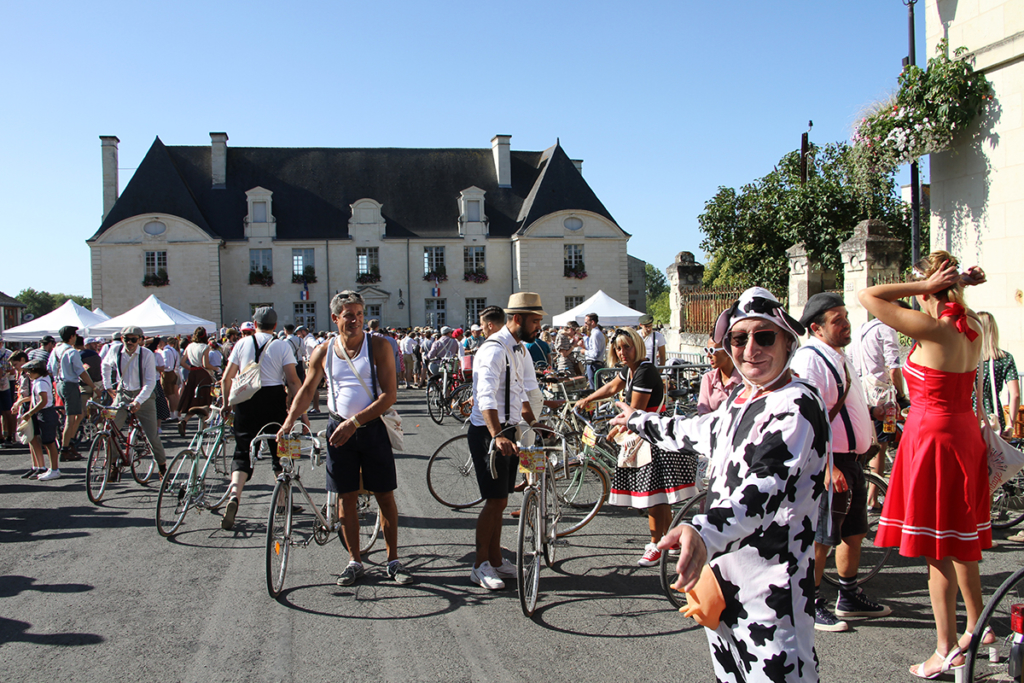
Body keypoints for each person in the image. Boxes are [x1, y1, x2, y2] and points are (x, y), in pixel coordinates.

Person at [612, 287, 829, 682]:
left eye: (764, 336)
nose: (751, 349)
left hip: (772, 592)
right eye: (738, 339)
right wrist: (637, 420)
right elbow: (697, 429)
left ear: (787, 342)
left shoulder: (797, 404)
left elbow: (762, 490)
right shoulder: (743, 400)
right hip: (723, 581)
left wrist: (700, 531)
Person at [859, 252, 991, 678]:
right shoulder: (971, 327)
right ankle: (977, 625)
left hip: (933, 437)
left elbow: (869, 295)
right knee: (960, 542)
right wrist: (950, 286)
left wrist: (923, 287)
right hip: (961, 431)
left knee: (937, 548)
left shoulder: (932, 327)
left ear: (931, 286)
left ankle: (945, 648)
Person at [278, 291, 412, 586]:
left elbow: (389, 395)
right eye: (349, 315)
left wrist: (355, 422)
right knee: (345, 496)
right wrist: (288, 422)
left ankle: (393, 560)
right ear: (335, 318)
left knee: (384, 495)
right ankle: (354, 561)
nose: (356, 320)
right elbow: (307, 389)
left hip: (370, 427)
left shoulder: (377, 345)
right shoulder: (323, 351)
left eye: (360, 314)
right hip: (338, 428)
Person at [790, 293, 891, 632]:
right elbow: (809, 416)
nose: (846, 323)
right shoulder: (810, 360)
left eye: (845, 316)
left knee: (853, 531)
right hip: (830, 463)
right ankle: (811, 601)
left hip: (852, 461)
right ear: (817, 327)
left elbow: (843, 405)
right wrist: (828, 465)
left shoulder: (838, 356)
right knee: (822, 537)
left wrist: (874, 413)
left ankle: (848, 595)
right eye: (838, 319)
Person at [576, 327, 697, 566]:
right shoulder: (631, 371)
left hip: (651, 439)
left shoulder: (644, 371)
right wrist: (588, 399)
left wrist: (616, 429)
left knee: (652, 496)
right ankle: (669, 540)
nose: (622, 352)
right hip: (648, 436)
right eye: (618, 348)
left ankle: (655, 544)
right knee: (660, 497)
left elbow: (637, 411)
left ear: (638, 347)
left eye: (627, 347)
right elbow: (611, 387)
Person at [468, 297, 542, 590]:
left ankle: (496, 559)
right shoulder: (494, 349)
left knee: (500, 500)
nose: (539, 326)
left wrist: (534, 423)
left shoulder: (518, 348)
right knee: (494, 500)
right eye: (535, 321)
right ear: (518, 318)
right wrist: (497, 435)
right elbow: (486, 395)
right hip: (489, 432)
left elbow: (520, 392)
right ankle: (479, 564)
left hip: (507, 431)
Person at [220, 307, 302, 531]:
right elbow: (293, 381)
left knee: (242, 448)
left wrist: (227, 404)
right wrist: (300, 411)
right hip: (274, 397)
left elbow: (227, 377)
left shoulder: (241, 343)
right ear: (275, 326)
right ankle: (283, 501)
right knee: (280, 448)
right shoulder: (281, 345)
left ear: (254, 324)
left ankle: (234, 495)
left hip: (247, 399)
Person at [848, 301, 910, 509]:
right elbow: (894, 368)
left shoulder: (861, 329)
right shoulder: (887, 330)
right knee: (881, 446)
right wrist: (902, 395)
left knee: (867, 442)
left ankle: (865, 492)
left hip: (861, 392)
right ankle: (872, 498)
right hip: (881, 396)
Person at [101, 326, 169, 478]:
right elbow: (105, 365)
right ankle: (113, 464)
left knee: (152, 435)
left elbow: (151, 382)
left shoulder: (147, 354)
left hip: (144, 395)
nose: (129, 342)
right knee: (110, 430)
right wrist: (108, 387)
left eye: (133, 339)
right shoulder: (115, 351)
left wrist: (138, 401)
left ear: (140, 340)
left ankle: (162, 467)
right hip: (122, 393)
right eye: (126, 339)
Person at [48, 325, 97, 461]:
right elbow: (81, 372)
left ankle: (70, 441)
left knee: (79, 414)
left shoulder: (55, 350)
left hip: (59, 383)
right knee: (71, 417)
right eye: (74, 335)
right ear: (71, 337)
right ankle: (65, 448)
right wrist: (93, 386)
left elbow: (50, 368)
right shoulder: (72, 352)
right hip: (69, 384)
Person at [19, 360, 62, 480]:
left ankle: (55, 469)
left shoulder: (40, 383)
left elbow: (43, 401)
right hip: (43, 412)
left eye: (30, 371)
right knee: (46, 442)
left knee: (49, 442)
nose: (28, 374)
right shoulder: (42, 380)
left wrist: (30, 412)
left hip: (45, 413)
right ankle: (51, 468)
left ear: (37, 371)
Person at [177, 327, 218, 437]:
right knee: (205, 401)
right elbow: (205, 364)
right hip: (202, 374)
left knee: (193, 400)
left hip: (193, 374)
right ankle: (203, 427)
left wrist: (190, 369)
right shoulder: (205, 347)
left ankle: (185, 420)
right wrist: (216, 368)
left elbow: (182, 362)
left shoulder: (189, 346)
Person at [697, 335, 742, 415]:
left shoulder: (744, 379)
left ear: (728, 351)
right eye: (706, 350)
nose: (708, 355)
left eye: (712, 350)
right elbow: (703, 412)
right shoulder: (708, 378)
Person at [580, 313, 606, 389]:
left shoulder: (595, 334)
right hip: (594, 364)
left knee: (595, 389)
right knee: (595, 387)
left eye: (586, 322)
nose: (585, 325)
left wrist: (584, 351)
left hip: (594, 365)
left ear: (592, 322)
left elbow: (595, 353)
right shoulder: (595, 333)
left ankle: (598, 401)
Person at [0, 336, 15, 448]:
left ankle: (9, 435)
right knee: (7, 411)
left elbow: (14, 370)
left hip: (7, 383)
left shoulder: (8, 353)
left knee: (8, 411)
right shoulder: (8, 353)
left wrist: (5, 372)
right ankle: (5, 436)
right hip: (6, 383)